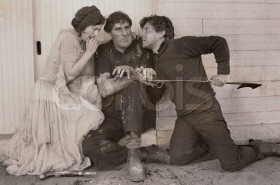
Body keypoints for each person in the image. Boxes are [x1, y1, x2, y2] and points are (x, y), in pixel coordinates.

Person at [139, 15, 280, 171]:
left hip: (206, 112)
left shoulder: (181, 45)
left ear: (161, 33)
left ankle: (262, 148)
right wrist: (150, 81)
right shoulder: (155, 61)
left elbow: (218, 42)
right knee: (179, 157)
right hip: (185, 117)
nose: (142, 34)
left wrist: (223, 73)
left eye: (147, 30)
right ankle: (220, 148)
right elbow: (158, 96)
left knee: (232, 164)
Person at [3, 5, 106, 176]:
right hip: (48, 92)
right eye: (94, 29)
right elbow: (70, 73)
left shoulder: (74, 36)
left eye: (99, 30)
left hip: (54, 90)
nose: (96, 33)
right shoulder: (69, 39)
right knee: (89, 114)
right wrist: (89, 53)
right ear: (85, 25)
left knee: (84, 114)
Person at [82, 11, 169, 182]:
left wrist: (131, 78)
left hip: (140, 113)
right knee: (90, 147)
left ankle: (134, 157)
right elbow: (105, 89)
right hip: (113, 116)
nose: (124, 33)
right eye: (118, 29)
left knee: (133, 87)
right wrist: (133, 75)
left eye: (127, 27)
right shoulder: (104, 51)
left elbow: (149, 82)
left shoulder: (141, 46)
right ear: (109, 33)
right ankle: (142, 152)